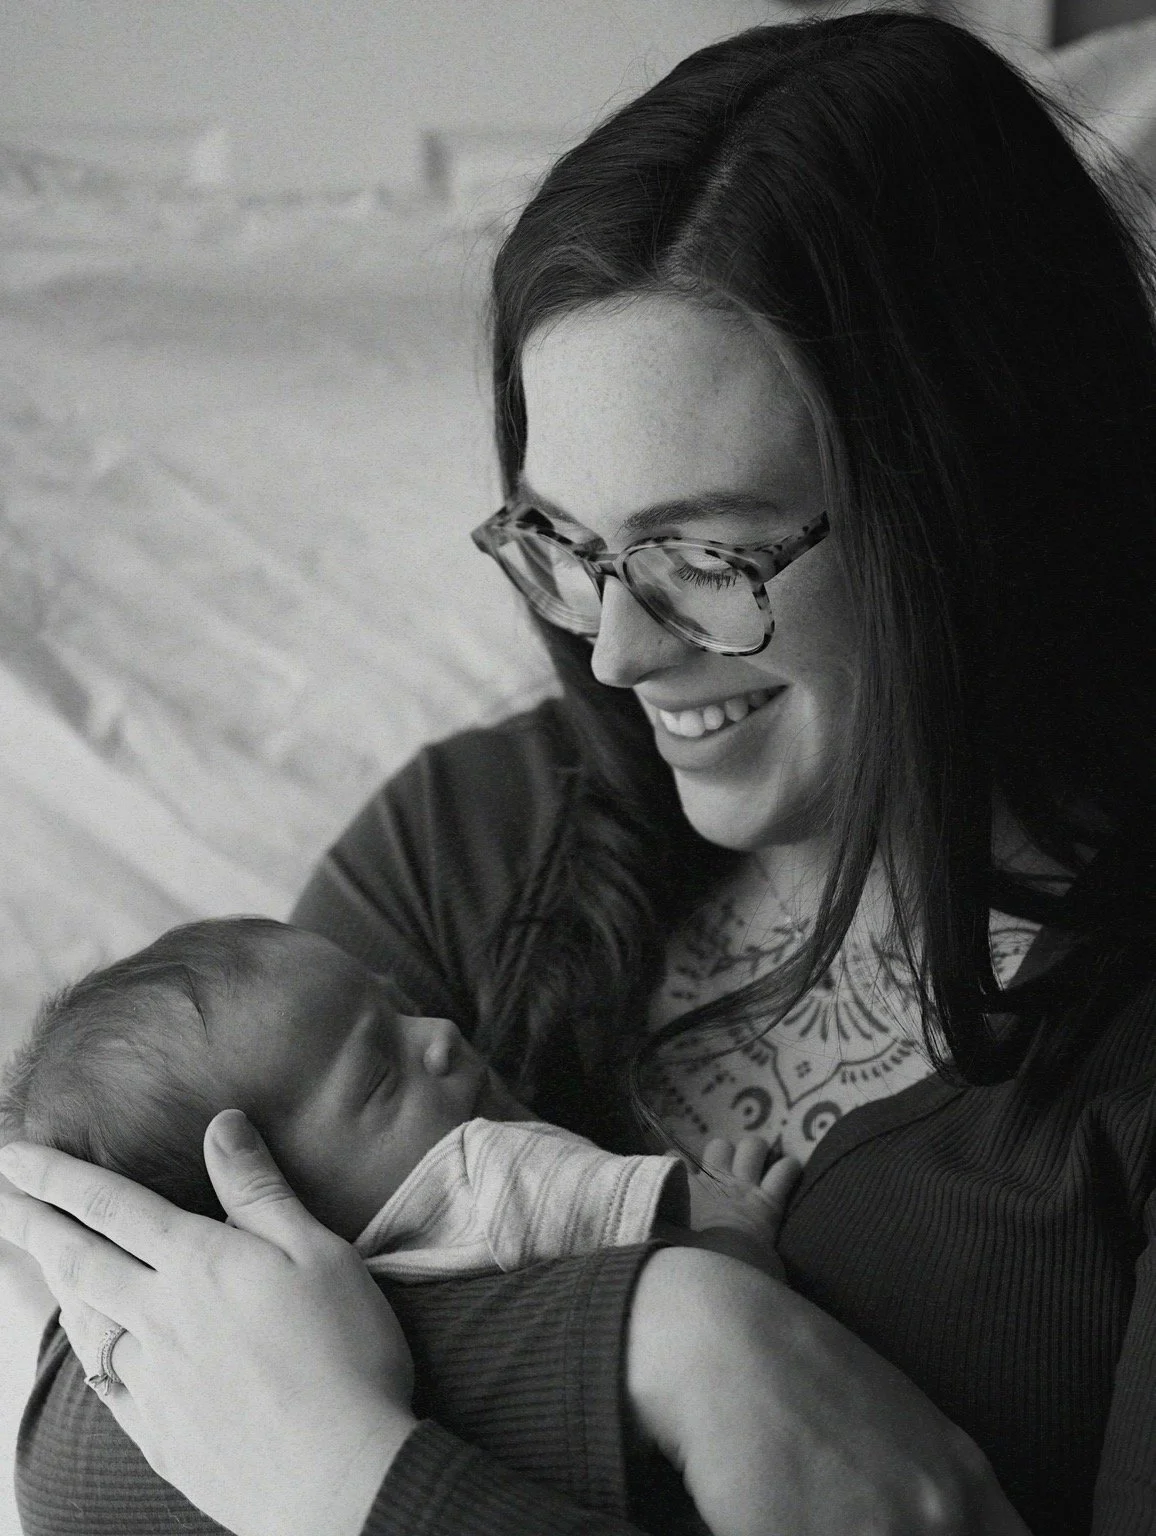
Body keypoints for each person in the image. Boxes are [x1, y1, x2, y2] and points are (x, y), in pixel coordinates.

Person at [1, 10, 1153, 1536]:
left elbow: (213, 1419)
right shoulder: (471, 839)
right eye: (568, 545)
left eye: (703, 553)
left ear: (982, 494)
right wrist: (685, 1341)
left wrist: (354, 1472)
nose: (614, 651)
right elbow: (86, 1449)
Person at [0, 914, 795, 1284]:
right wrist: (733, 1222)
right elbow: (714, 1278)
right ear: (268, 1206)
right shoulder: (495, 1176)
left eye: (399, 1006)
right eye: (379, 1073)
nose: (442, 1033)